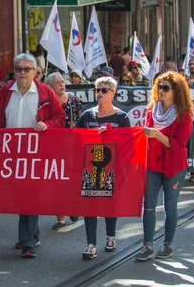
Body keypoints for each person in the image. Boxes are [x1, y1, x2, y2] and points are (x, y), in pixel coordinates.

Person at [0, 53, 65, 259]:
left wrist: (47, 124)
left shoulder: (45, 93)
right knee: (19, 196)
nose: (22, 73)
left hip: (36, 155)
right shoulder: (6, 92)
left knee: (29, 195)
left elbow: (60, 117)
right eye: (18, 69)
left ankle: (27, 242)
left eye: (26, 69)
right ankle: (32, 234)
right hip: (11, 155)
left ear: (35, 72)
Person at [136, 72, 194, 261]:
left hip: (173, 165)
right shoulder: (152, 109)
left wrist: (157, 135)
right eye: (159, 86)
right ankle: (147, 245)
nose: (161, 90)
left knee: (170, 207)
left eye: (166, 87)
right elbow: (144, 134)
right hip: (152, 162)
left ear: (176, 91)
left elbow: (178, 145)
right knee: (149, 206)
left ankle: (167, 245)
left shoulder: (184, 115)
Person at [77, 77, 130, 259]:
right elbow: (76, 140)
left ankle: (111, 236)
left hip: (111, 168)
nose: (99, 93)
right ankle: (91, 244)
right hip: (90, 168)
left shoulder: (122, 117)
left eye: (104, 90)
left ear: (113, 93)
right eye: (97, 90)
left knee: (109, 203)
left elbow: (128, 144)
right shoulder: (86, 116)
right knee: (90, 205)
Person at [45, 72, 82, 230]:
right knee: (57, 181)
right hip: (54, 147)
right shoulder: (47, 103)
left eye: (62, 81)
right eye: (57, 83)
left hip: (72, 146)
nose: (62, 84)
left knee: (72, 180)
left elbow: (81, 122)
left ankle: (72, 207)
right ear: (50, 87)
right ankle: (61, 217)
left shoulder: (74, 101)